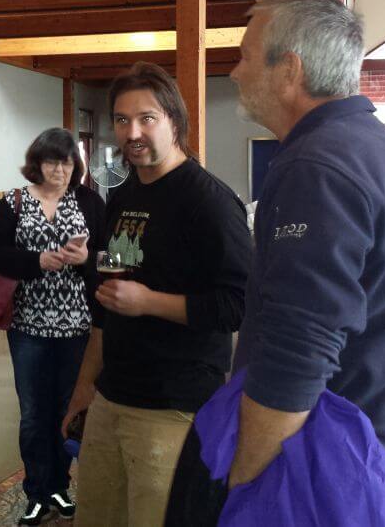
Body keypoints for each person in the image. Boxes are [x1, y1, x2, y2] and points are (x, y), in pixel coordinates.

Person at [225, 0, 385, 503]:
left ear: (289, 70)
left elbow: (297, 349)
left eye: (244, 56)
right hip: (381, 466)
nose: (235, 73)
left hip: (317, 475)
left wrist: (244, 481)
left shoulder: (317, 167)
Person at [64, 63, 252, 527]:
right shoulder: (125, 194)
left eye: (147, 118)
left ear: (174, 121)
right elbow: (106, 306)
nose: (133, 132)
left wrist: (149, 302)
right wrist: (86, 386)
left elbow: (238, 305)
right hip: (113, 396)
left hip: (173, 407)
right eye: (123, 120)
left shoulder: (207, 200)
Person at [0, 127, 105, 526]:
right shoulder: (13, 203)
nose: (60, 169)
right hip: (29, 325)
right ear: (36, 163)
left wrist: (85, 257)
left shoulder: (89, 201)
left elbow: (107, 254)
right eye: (53, 161)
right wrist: (36, 261)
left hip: (77, 325)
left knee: (68, 408)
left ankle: (61, 483)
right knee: (34, 411)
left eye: (68, 162)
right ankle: (38, 489)